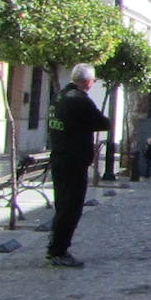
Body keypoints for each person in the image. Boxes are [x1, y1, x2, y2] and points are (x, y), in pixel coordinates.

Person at [46, 64, 111, 268]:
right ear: (88, 82)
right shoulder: (79, 100)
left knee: (61, 204)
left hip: (59, 157)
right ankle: (59, 250)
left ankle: (55, 245)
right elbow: (103, 123)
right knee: (71, 207)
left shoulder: (58, 96)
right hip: (74, 160)